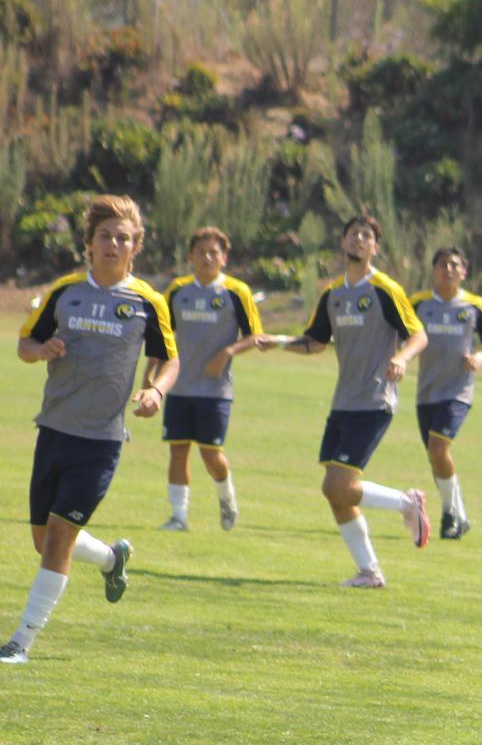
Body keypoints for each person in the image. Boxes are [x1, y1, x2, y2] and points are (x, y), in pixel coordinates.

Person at [4, 195, 177, 665]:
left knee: (58, 539)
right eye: (106, 236)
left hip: (101, 441)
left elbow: (170, 357)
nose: (114, 244)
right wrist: (43, 350)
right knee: (43, 539)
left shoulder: (147, 301)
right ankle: (110, 559)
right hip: (54, 431)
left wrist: (156, 391)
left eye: (123, 237)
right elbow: (24, 343)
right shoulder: (64, 292)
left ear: (135, 246)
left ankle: (20, 641)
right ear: (89, 243)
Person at [286, 213, 431, 587]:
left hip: (374, 398)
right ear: (344, 241)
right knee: (333, 492)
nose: (358, 240)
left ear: (375, 247)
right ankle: (369, 572)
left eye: (366, 236)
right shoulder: (333, 293)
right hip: (343, 402)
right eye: (353, 234)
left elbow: (418, 335)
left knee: (341, 488)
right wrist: (278, 342)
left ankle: (407, 503)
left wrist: (400, 358)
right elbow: (315, 341)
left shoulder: (384, 288)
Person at [159, 226, 279, 532]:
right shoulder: (177, 290)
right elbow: (162, 334)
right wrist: (153, 373)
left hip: (215, 390)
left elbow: (256, 336)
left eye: (214, 252)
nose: (207, 257)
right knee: (177, 449)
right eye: (201, 252)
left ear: (224, 258)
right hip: (180, 386)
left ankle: (227, 499)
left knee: (211, 454)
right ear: (191, 257)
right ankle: (178, 517)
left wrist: (226, 352)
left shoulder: (236, 292)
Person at [409, 247, 482, 540]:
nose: (448, 269)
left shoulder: (475, 305)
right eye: (442, 264)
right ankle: (459, 517)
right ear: (433, 270)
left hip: (458, 391)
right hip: (427, 391)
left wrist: (480, 358)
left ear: (464, 272)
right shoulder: (418, 304)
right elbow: (401, 332)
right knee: (436, 457)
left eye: (454, 265)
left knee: (439, 448)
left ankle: (449, 513)